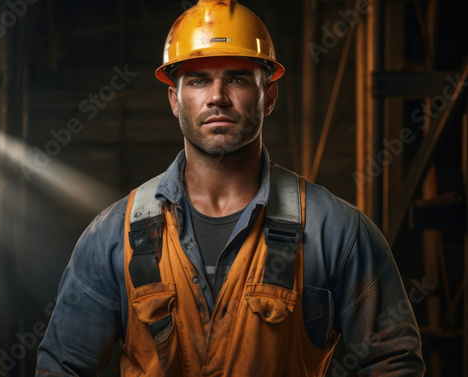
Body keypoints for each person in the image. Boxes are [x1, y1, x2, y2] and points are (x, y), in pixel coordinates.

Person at [36, 0, 426, 376]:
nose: (218, 97)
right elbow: (63, 366)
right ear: (175, 99)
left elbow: (393, 360)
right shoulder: (114, 235)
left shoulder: (335, 231)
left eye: (237, 79)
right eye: (199, 80)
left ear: (268, 95)